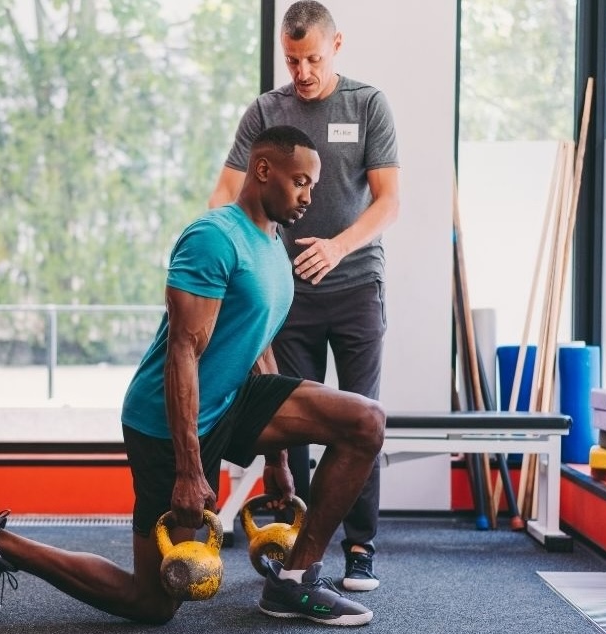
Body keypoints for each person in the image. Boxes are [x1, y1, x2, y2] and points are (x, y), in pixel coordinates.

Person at [0, 125, 385, 627]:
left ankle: (295, 581)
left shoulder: (271, 241)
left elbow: (258, 341)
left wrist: (278, 457)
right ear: (263, 170)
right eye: (301, 182)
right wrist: (188, 470)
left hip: (233, 399)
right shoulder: (213, 239)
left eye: (312, 185)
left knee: (364, 421)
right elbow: (183, 352)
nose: (309, 196)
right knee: (152, 603)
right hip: (167, 420)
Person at [208, 1, 400, 592]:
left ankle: (360, 547)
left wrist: (338, 248)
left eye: (313, 58)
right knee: (291, 420)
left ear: (335, 45)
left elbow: (389, 201)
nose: (303, 72)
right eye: (292, 60)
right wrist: (224, 254)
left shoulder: (367, 105)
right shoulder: (267, 111)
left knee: (361, 415)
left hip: (356, 285)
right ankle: (296, 544)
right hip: (288, 293)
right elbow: (223, 193)